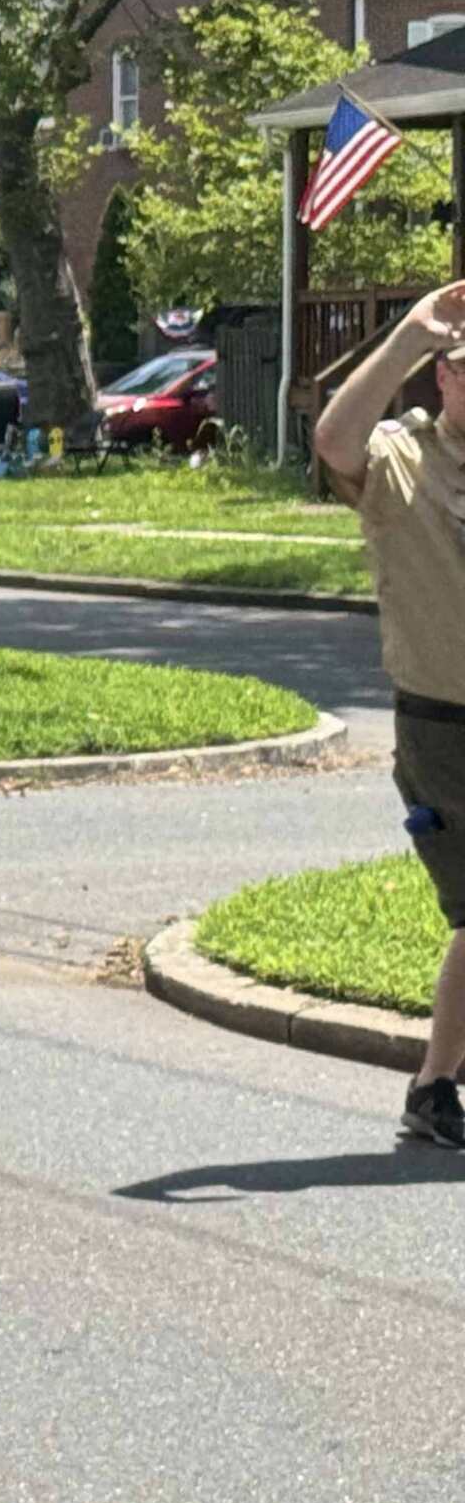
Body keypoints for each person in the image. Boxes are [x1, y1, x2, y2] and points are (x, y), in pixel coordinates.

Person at [311, 279, 465, 1148]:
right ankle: (435, 1085)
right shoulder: (402, 461)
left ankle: (434, 1088)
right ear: (444, 377)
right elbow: (333, 439)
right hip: (445, 729)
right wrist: (409, 333)